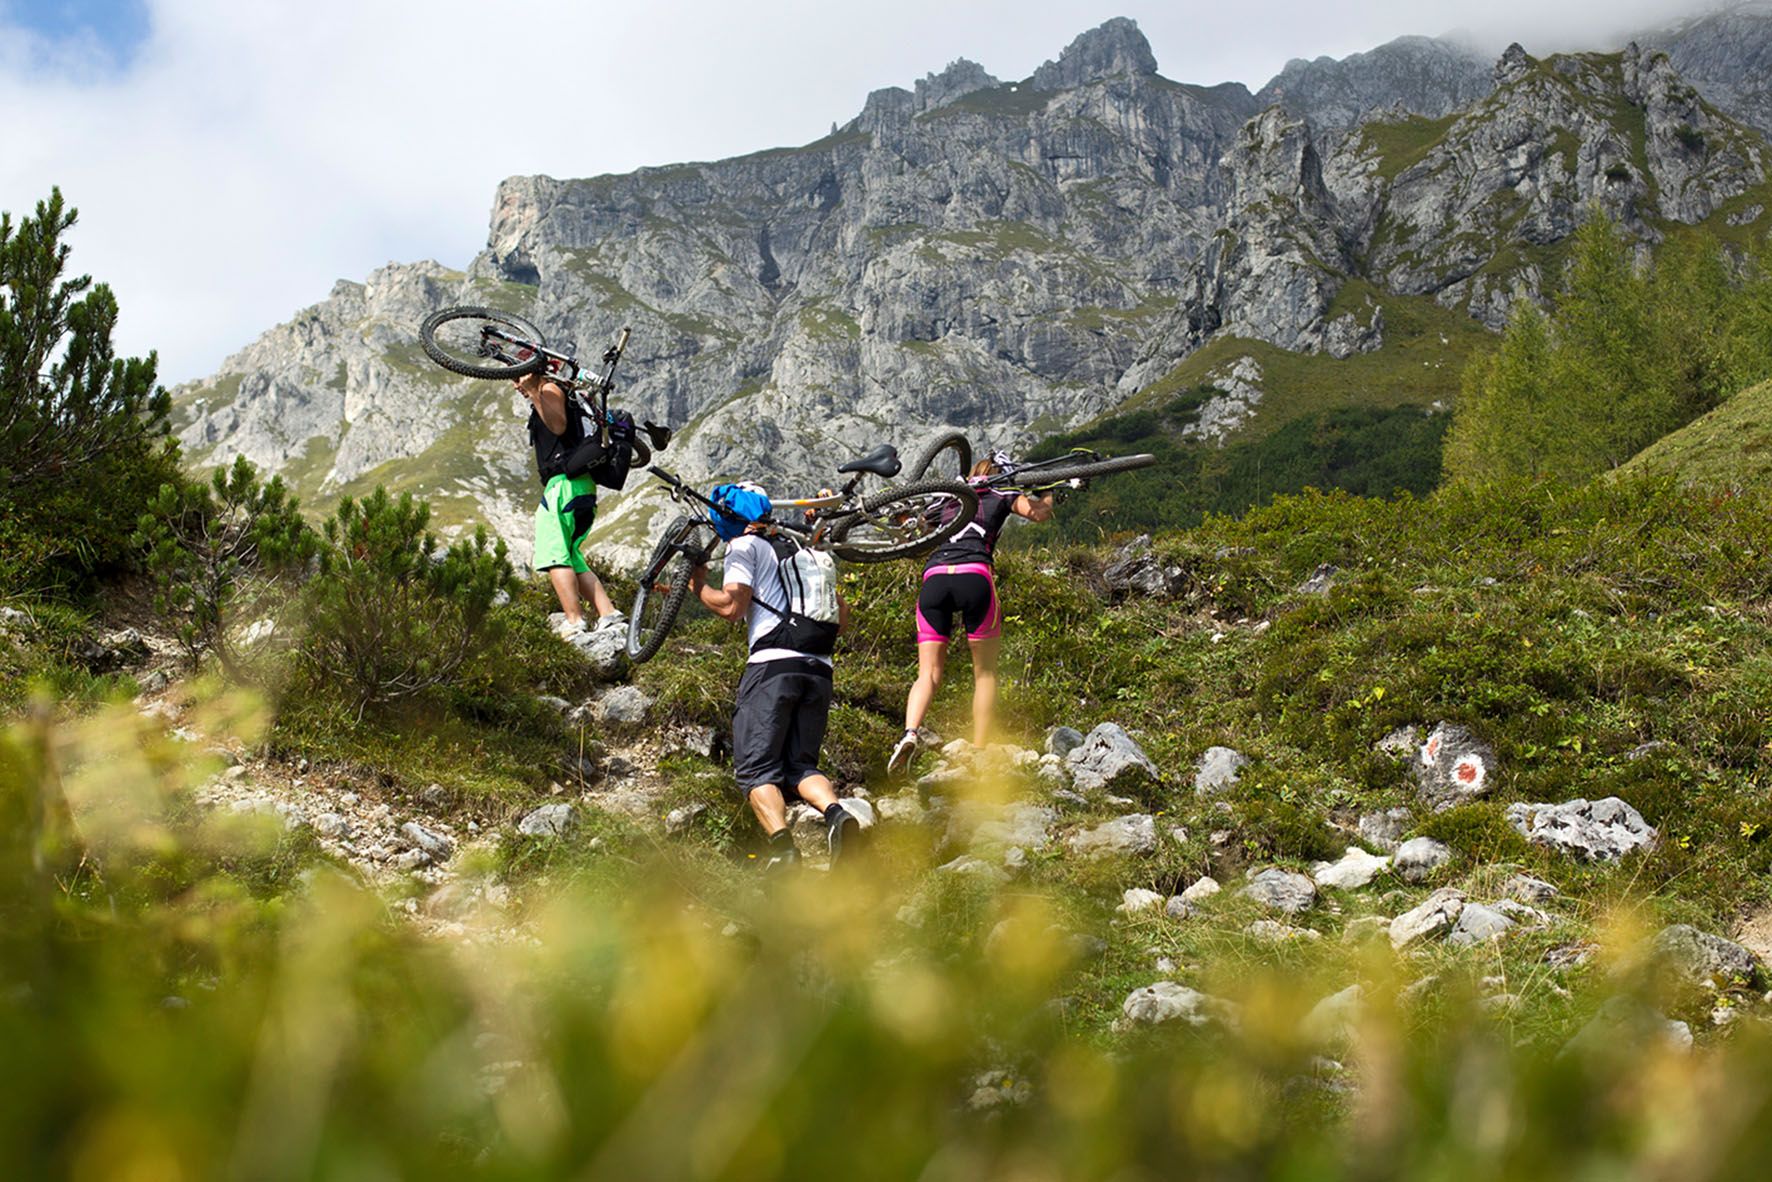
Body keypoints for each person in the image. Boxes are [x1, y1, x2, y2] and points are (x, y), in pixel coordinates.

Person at [688, 485, 868, 872]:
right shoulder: (807, 551)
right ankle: (837, 815)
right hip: (819, 669)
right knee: (801, 765)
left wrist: (698, 585)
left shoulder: (744, 546)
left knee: (756, 769)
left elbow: (732, 607)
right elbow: (842, 619)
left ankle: (783, 850)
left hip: (772, 668)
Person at [887, 454, 1056, 771]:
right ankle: (979, 746)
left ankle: (909, 733)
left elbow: (915, 529)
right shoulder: (1004, 492)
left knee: (928, 674)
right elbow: (1040, 514)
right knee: (985, 673)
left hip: (934, 579)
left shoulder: (946, 499)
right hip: (975, 576)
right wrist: (1048, 489)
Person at [515, 369, 633, 639]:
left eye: (519, 377)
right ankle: (608, 614)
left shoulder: (549, 390)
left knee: (554, 555)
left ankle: (574, 620)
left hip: (563, 486)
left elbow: (557, 426)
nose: (516, 385)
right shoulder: (570, 397)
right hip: (581, 487)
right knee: (573, 559)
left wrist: (534, 390)